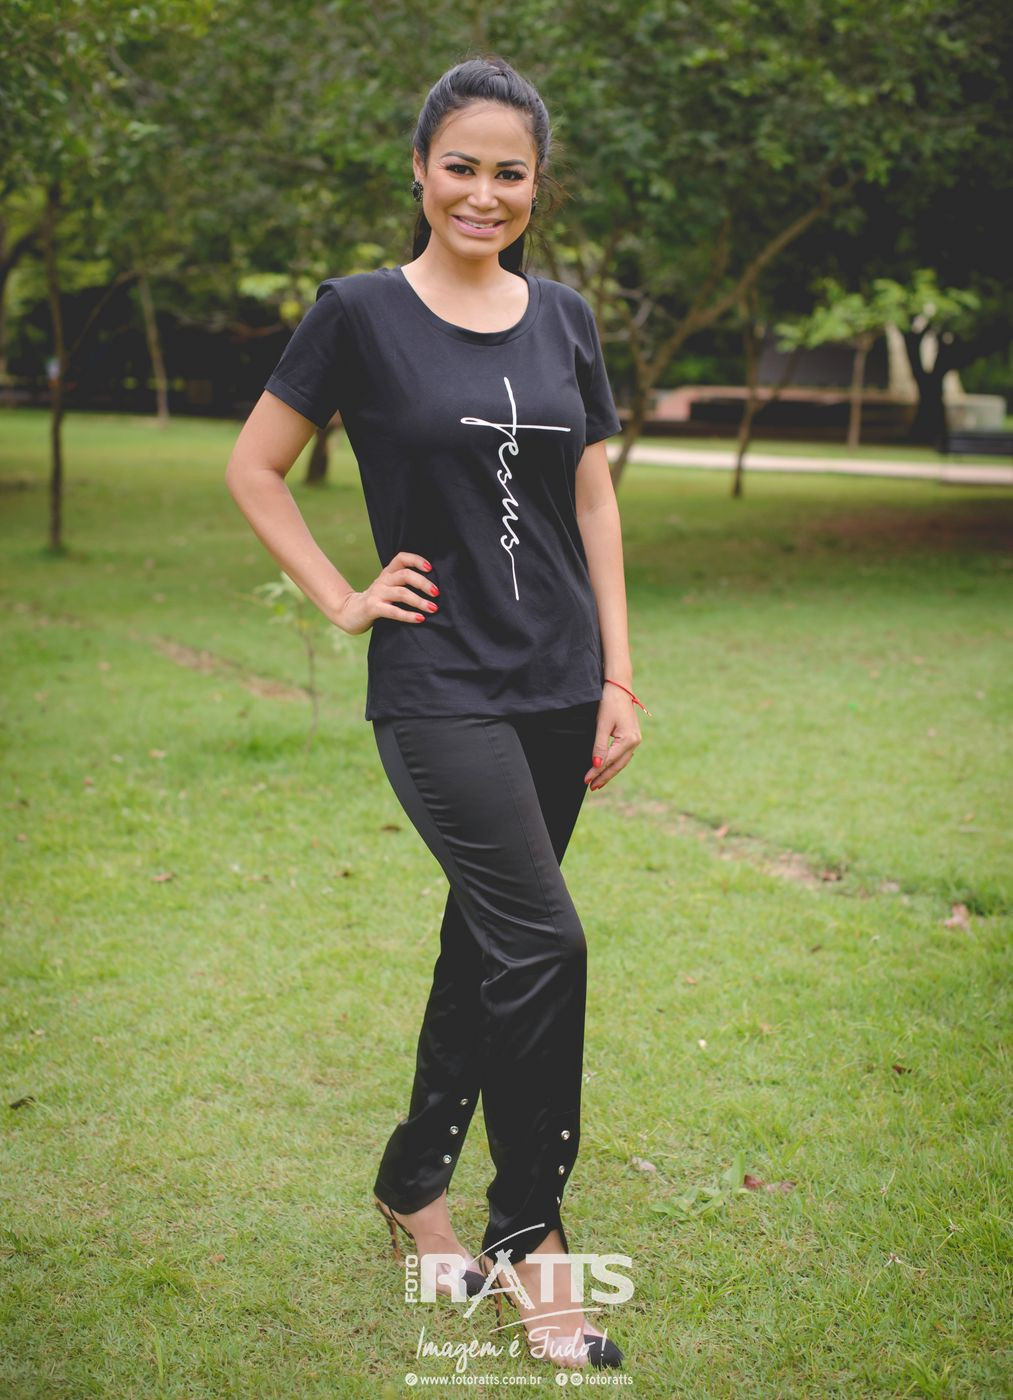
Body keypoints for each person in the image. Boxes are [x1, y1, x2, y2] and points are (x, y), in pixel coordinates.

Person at [225, 55, 648, 1372]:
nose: (482, 192)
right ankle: (532, 1244)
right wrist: (344, 598)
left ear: (536, 186)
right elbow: (255, 466)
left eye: (508, 172)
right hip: (437, 685)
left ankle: (415, 1187)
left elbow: (591, 497)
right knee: (544, 943)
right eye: (458, 166)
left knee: (489, 945)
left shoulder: (565, 316)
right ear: (419, 172)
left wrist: (620, 674)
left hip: (559, 682)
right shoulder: (357, 312)